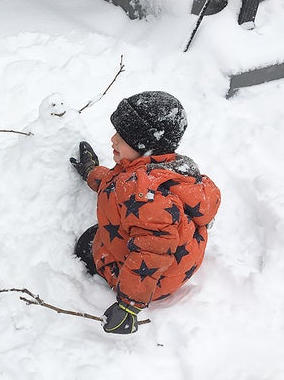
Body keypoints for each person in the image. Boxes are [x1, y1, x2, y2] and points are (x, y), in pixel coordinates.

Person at [70, 91, 221, 334]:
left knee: (87, 245)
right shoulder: (165, 169)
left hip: (154, 279)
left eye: (122, 137)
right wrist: (91, 172)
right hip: (178, 260)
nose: (113, 140)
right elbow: (115, 182)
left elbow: (150, 254)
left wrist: (128, 306)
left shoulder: (144, 196)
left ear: (144, 145)